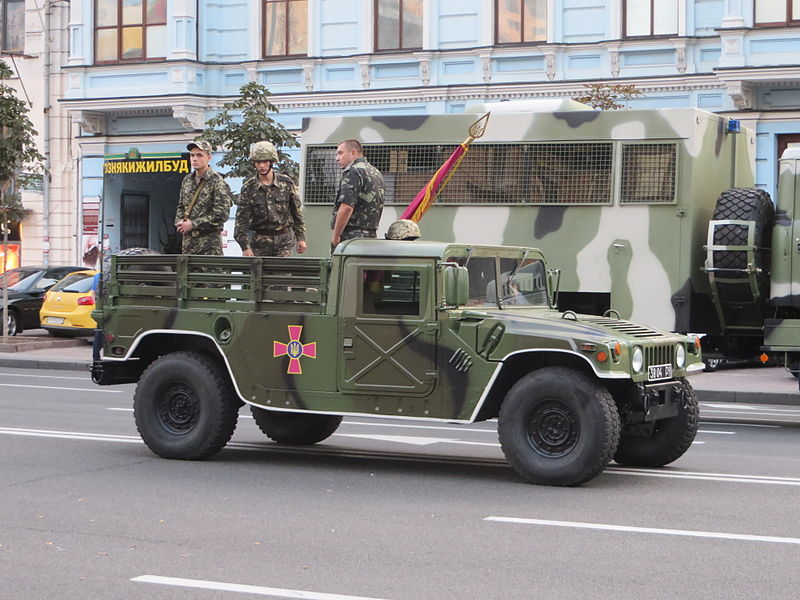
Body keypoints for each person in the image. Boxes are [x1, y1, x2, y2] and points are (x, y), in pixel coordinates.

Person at [234, 141, 306, 257]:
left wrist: (301, 238)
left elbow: (296, 213)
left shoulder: (286, 183)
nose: (262, 166)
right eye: (258, 162)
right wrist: (245, 247)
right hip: (259, 242)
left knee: (282, 274)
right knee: (257, 274)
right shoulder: (249, 188)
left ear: (272, 162)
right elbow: (241, 221)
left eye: (265, 161)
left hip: (283, 241)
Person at [175, 140, 233, 255]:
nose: (194, 159)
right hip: (188, 245)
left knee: (209, 273)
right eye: (192, 155)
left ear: (209, 158)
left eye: (199, 155)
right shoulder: (187, 180)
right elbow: (181, 206)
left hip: (209, 247)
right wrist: (179, 221)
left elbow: (221, 214)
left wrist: (193, 224)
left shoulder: (217, 182)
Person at [330, 138, 385, 251]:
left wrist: (336, 236)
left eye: (340, 153)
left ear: (353, 153)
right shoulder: (375, 172)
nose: (337, 158)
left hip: (351, 239)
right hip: (371, 237)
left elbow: (346, 207)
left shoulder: (353, 172)